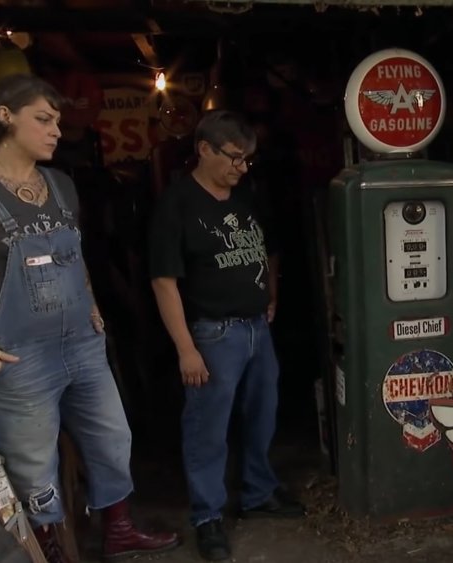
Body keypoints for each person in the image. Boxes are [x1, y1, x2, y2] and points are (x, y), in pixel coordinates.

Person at [0, 74, 180, 563]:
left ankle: (119, 530)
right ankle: (48, 550)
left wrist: (95, 309)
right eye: (43, 119)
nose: (56, 130)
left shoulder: (61, 185)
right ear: (5, 117)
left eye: (57, 121)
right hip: (15, 356)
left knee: (112, 438)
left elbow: (73, 255)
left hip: (81, 344)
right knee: (32, 465)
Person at [149, 109, 304, 562]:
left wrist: (270, 293)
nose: (241, 167)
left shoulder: (246, 197)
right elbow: (163, 281)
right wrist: (185, 349)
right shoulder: (176, 204)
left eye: (247, 160)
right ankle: (207, 516)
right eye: (234, 158)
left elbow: (269, 248)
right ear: (204, 149)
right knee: (207, 430)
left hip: (257, 329)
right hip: (212, 336)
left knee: (264, 416)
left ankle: (258, 494)